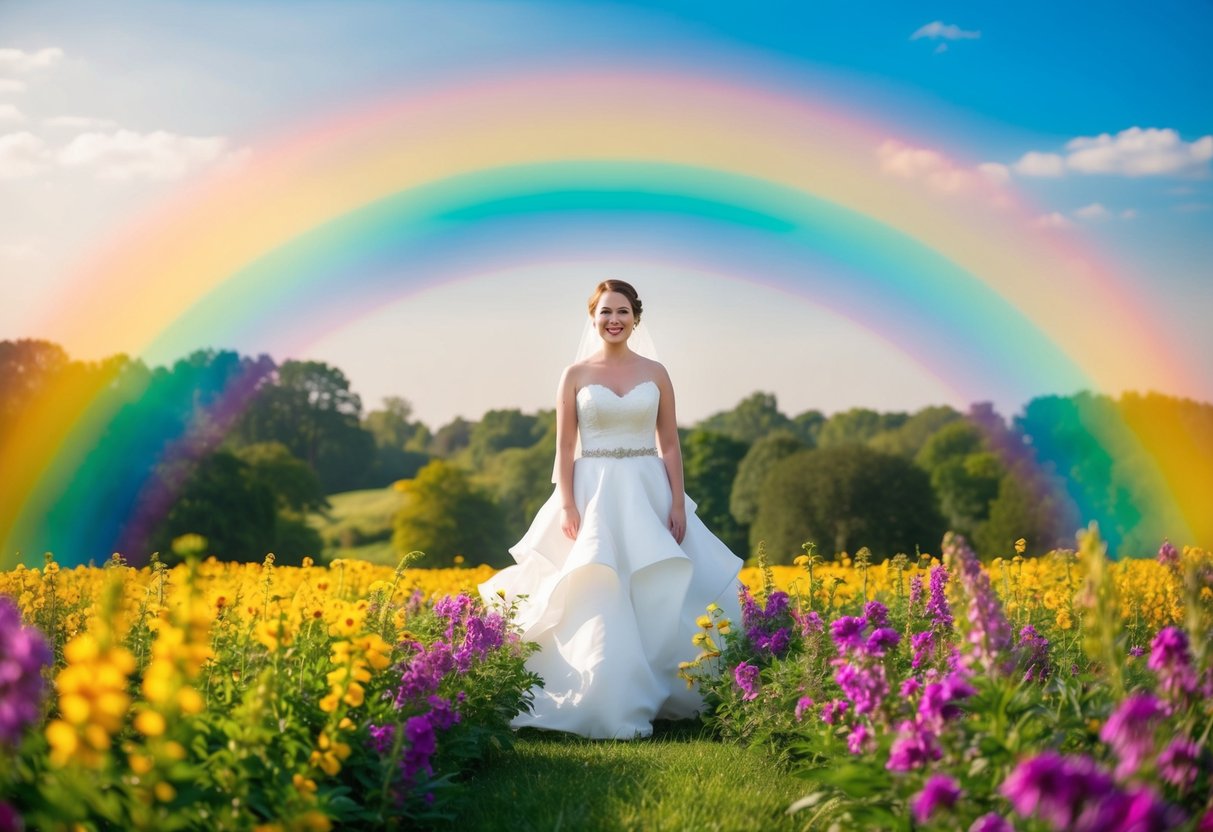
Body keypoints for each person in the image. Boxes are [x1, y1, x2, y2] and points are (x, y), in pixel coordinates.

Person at [480, 279, 744, 739]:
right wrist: (566, 503)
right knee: (596, 585)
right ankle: (602, 694)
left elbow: (671, 443)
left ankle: (668, 688)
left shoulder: (657, 372)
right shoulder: (575, 375)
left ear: (636, 318)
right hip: (592, 492)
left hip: (648, 489)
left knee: (656, 583)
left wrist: (678, 501)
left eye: (622, 311)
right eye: (605, 312)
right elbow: (564, 445)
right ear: (593, 317)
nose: (614, 320)